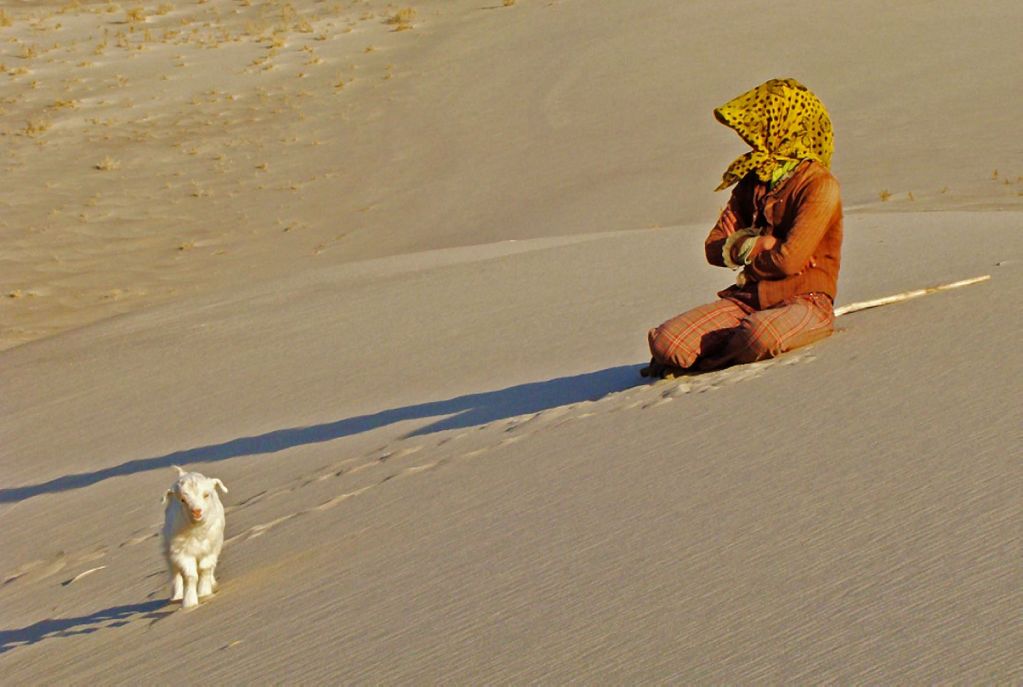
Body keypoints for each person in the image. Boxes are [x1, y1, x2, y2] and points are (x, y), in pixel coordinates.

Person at [643, 78, 842, 378]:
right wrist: (754, 245)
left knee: (759, 336)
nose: (751, 136)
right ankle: (706, 356)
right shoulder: (753, 181)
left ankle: (703, 363)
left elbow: (789, 261)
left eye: (760, 125)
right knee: (665, 341)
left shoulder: (819, 184)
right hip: (747, 300)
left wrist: (750, 252)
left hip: (806, 300)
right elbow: (714, 247)